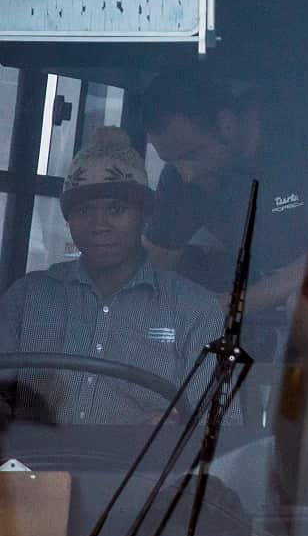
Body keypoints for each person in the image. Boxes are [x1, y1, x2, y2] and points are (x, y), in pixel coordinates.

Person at [0, 127, 224, 425]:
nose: (99, 225)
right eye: (83, 211)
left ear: (144, 216)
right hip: (32, 468)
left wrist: (175, 430)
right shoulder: (26, 298)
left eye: (116, 209)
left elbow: (215, 432)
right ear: (68, 221)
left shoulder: (196, 310)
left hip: (143, 470)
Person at [141, 73, 308, 317]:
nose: (187, 175)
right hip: (246, 299)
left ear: (225, 124)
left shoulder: (302, 145)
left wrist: (228, 306)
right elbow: (153, 268)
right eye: (171, 162)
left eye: (191, 155)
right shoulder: (178, 178)